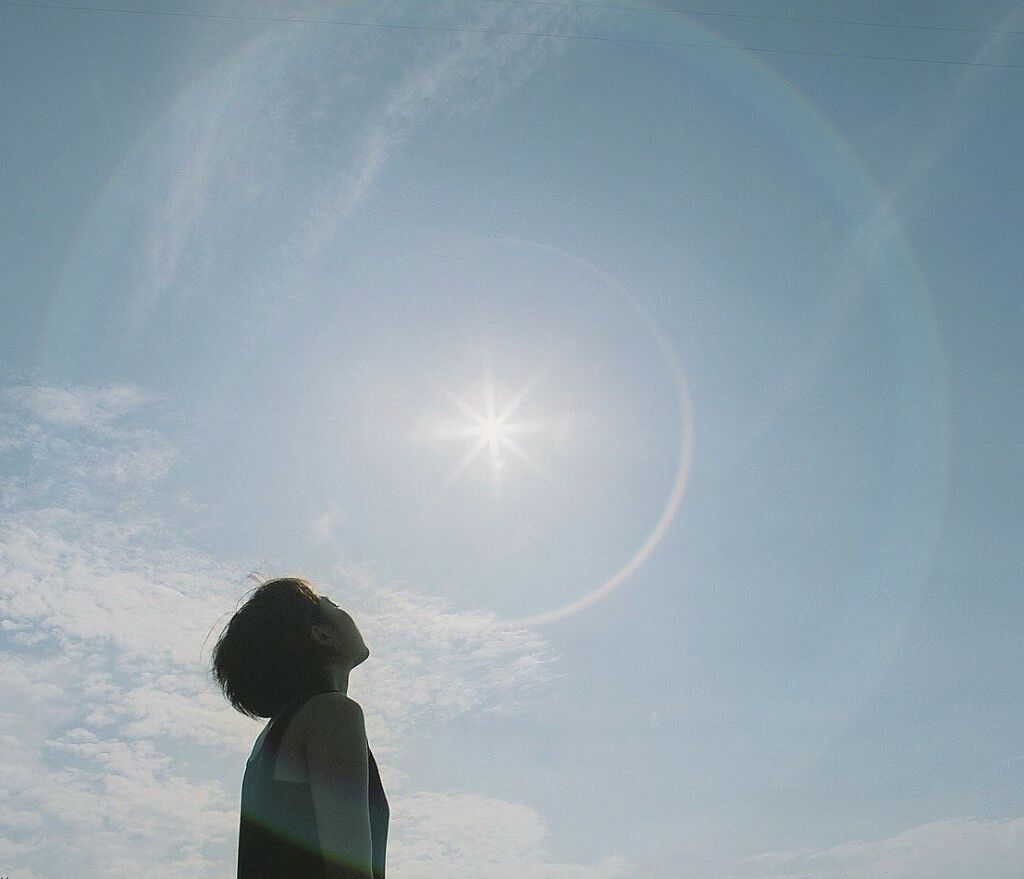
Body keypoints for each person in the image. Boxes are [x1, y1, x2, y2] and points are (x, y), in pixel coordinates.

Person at [211, 576, 388, 879]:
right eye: (333, 605)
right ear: (322, 636)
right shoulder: (332, 714)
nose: (342, 609)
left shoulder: (269, 740)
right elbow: (348, 869)